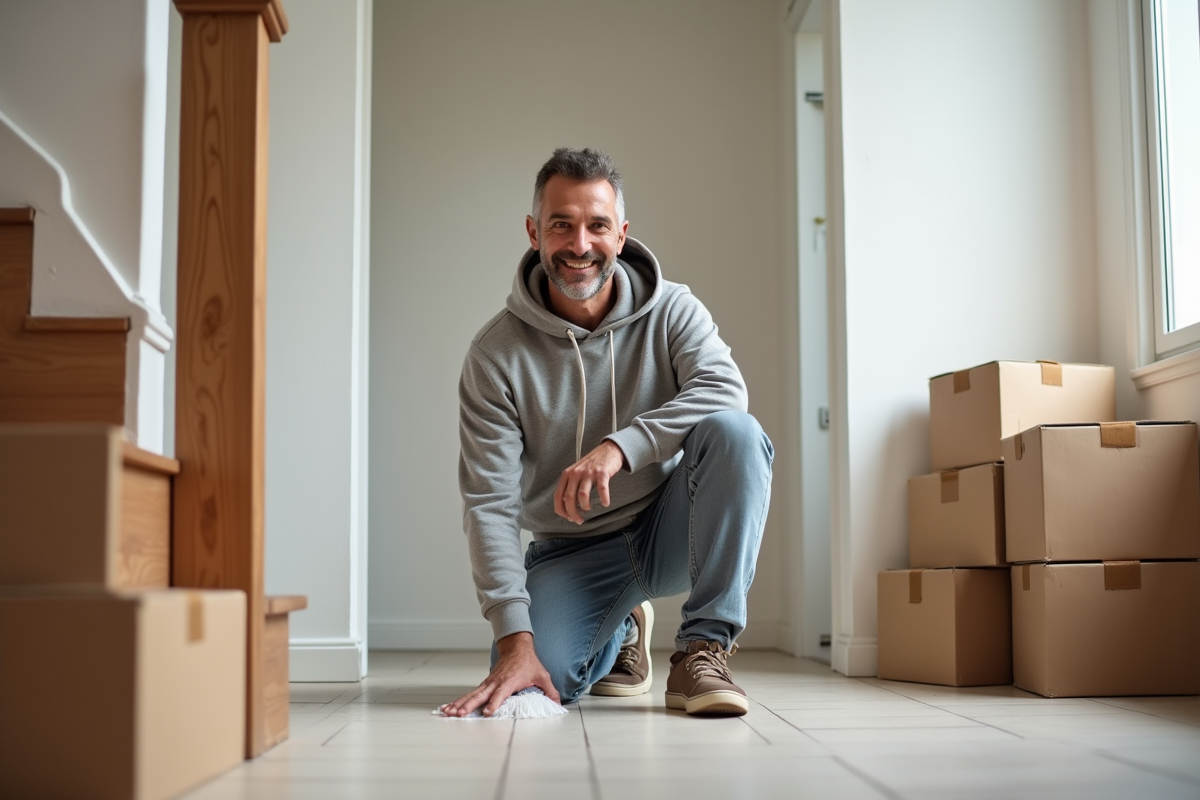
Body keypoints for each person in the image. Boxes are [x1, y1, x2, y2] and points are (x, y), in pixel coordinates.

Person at [443, 147, 773, 719]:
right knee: (539, 683)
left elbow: (726, 392)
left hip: (671, 526)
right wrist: (515, 639)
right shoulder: (494, 354)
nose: (579, 245)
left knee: (735, 434)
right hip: (570, 550)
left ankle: (704, 648)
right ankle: (621, 629)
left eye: (597, 225)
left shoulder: (673, 309)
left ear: (621, 235)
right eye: (560, 225)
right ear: (533, 233)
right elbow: (489, 504)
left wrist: (621, 447)